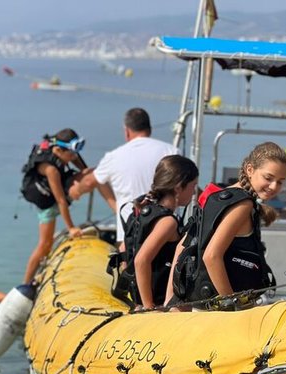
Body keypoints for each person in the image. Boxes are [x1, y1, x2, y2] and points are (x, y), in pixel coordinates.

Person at [166, 141, 286, 310]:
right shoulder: (244, 206)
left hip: (199, 302)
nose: (274, 186)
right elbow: (211, 256)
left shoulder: (215, 196)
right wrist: (232, 306)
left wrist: (171, 300)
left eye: (280, 182)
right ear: (250, 170)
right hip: (217, 308)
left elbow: (183, 246)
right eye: (268, 178)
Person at [71, 107, 179, 246]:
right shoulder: (171, 151)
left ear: (126, 131)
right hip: (166, 232)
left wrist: (75, 191)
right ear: (149, 129)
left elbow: (89, 182)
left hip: (130, 234)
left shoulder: (114, 157)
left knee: (130, 265)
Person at [122, 155, 198, 310]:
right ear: (178, 188)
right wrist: (148, 306)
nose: (194, 192)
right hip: (158, 303)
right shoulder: (167, 222)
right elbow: (141, 260)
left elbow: (124, 250)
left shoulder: (142, 210)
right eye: (193, 186)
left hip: (136, 300)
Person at [21, 128, 87, 284]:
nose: (73, 158)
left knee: (91, 174)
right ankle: (25, 283)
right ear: (57, 150)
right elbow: (61, 200)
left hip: (55, 196)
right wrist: (71, 228)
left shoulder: (64, 152)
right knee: (45, 244)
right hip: (47, 203)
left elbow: (84, 169)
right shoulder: (51, 170)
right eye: (70, 155)